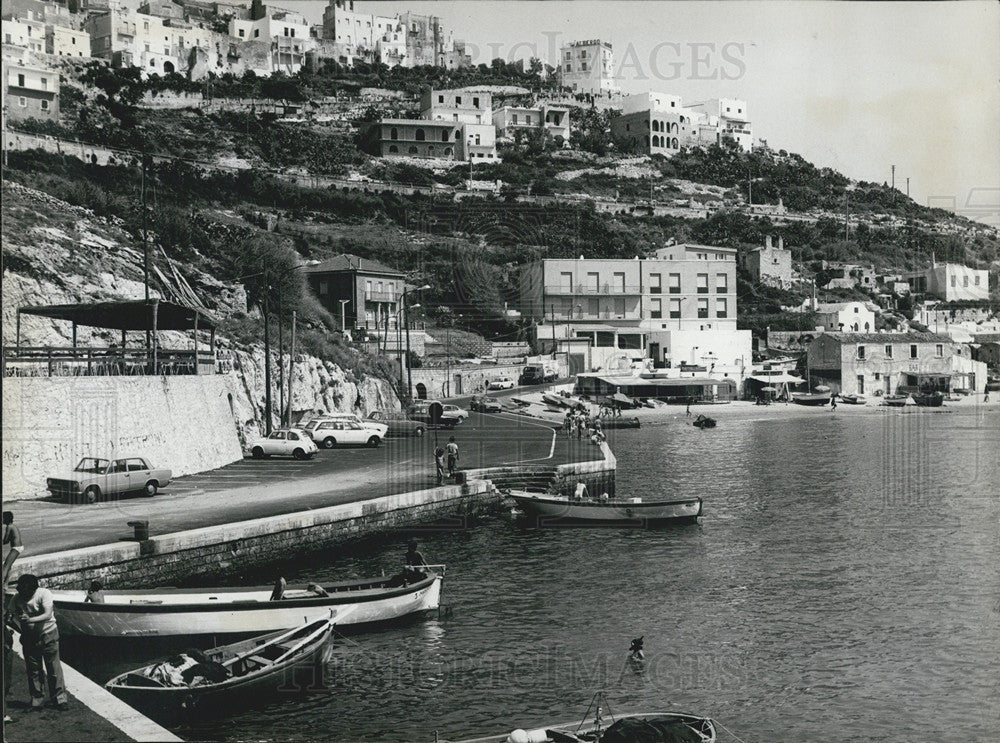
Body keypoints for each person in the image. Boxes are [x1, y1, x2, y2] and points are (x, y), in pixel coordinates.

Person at [10, 574, 68, 711]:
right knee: (33, 669)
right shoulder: (16, 599)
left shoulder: (44, 594)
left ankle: (59, 699)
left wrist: (29, 620)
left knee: (53, 668)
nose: (23, 594)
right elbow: (10, 614)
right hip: (29, 638)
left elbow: (47, 614)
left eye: (26, 591)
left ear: (33, 589)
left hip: (48, 634)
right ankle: (37, 699)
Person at [3, 511, 23, 587]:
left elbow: (5, 541)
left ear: (6, 519)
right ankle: (5, 584)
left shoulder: (9, 527)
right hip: (18, 547)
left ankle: (4, 584)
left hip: (16, 548)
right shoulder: (12, 526)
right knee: (8, 566)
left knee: (5, 567)